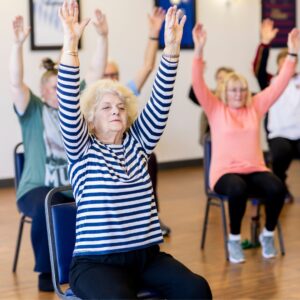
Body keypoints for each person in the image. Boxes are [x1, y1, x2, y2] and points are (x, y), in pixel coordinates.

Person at [57, 1, 212, 299]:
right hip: (96, 263)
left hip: (146, 257)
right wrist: (70, 45)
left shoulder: (137, 143)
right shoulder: (82, 149)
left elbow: (161, 96)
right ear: (90, 119)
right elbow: (67, 100)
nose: (115, 111)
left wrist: (172, 49)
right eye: (106, 107)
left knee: (197, 289)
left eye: (120, 107)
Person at [9, 10, 108, 292]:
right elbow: (16, 83)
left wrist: (103, 36)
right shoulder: (33, 110)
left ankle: (95, 262)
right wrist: (16, 44)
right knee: (47, 202)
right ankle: (47, 272)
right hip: (37, 188)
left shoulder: (75, 111)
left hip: (73, 185)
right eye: (53, 87)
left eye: (63, 87)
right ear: (43, 90)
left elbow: (95, 74)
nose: (60, 91)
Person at [192, 22, 300, 264]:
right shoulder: (216, 109)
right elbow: (198, 85)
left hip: (254, 169)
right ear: (224, 93)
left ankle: (268, 234)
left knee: (277, 188)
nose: (239, 94)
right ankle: (234, 240)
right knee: (237, 189)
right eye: (233, 91)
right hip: (224, 173)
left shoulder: (256, 106)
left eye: (242, 90)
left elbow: (280, 83)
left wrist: (292, 53)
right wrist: (198, 51)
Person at [102, 7, 171, 236]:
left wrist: (154, 34)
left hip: (130, 153)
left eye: (114, 75)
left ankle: (152, 218)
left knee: (149, 159)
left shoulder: (125, 93)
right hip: (103, 160)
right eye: (106, 75)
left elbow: (148, 66)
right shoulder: (91, 102)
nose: (110, 79)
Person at [253, 18, 300, 203]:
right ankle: (280, 186)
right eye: (283, 63)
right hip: (280, 134)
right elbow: (258, 69)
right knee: (280, 155)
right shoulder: (270, 82)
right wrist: (264, 44)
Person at [189, 66, 234, 145]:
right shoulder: (210, 95)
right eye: (219, 78)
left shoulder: (237, 97)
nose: (222, 81)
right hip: (210, 140)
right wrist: (198, 74)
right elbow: (193, 94)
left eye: (225, 78)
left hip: (231, 139)